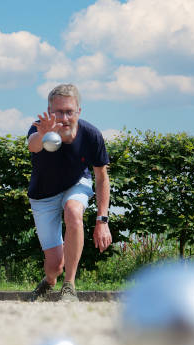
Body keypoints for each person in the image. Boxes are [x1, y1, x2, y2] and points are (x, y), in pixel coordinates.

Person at [27, 84, 112, 302]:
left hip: (76, 183)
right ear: (49, 110)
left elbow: (101, 177)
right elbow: (33, 146)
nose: (64, 117)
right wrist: (44, 134)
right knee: (54, 266)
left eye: (69, 112)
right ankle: (51, 280)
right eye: (58, 112)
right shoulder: (40, 129)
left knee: (74, 211)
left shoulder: (91, 135)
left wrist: (102, 220)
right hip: (43, 196)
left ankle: (69, 286)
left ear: (78, 112)